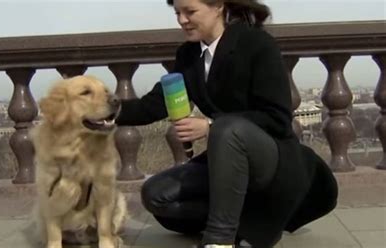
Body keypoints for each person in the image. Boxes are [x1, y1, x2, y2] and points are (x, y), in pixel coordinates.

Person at [116, 0, 338, 247]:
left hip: (272, 160)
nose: (181, 20)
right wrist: (105, 114)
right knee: (155, 194)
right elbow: (155, 104)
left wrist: (209, 125)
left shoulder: (257, 44)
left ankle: (219, 239)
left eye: (190, 11)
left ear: (218, 6)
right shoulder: (188, 54)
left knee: (225, 128)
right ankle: (252, 220)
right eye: (177, 12)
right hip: (226, 162)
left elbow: (277, 118)